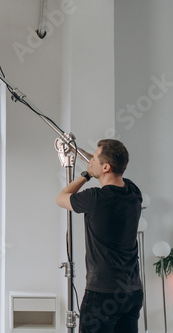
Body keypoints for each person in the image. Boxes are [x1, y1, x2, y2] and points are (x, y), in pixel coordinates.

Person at [56, 139, 143, 333]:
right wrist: (80, 153)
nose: (90, 161)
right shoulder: (133, 191)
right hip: (131, 293)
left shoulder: (95, 198)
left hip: (103, 296)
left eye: (93, 158)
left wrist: (85, 174)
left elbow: (61, 198)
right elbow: (106, 163)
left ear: (105, 167)